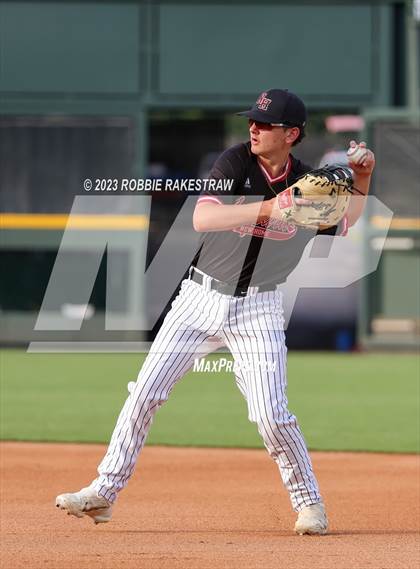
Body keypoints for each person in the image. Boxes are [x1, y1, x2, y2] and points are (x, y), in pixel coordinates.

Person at [56, 89, 375, 534]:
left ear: (292, 134)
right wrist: (271, 206)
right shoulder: (235, 162)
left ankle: (309, 505)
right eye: (253, 121)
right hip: (197, 299)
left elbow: (345, 223)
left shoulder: (308, 185)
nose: (254, 128)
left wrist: (363, 177)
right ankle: (103, 494)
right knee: (144, 393)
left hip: (259, 307)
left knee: (270, 413)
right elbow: (203, 219)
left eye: (265, 124)